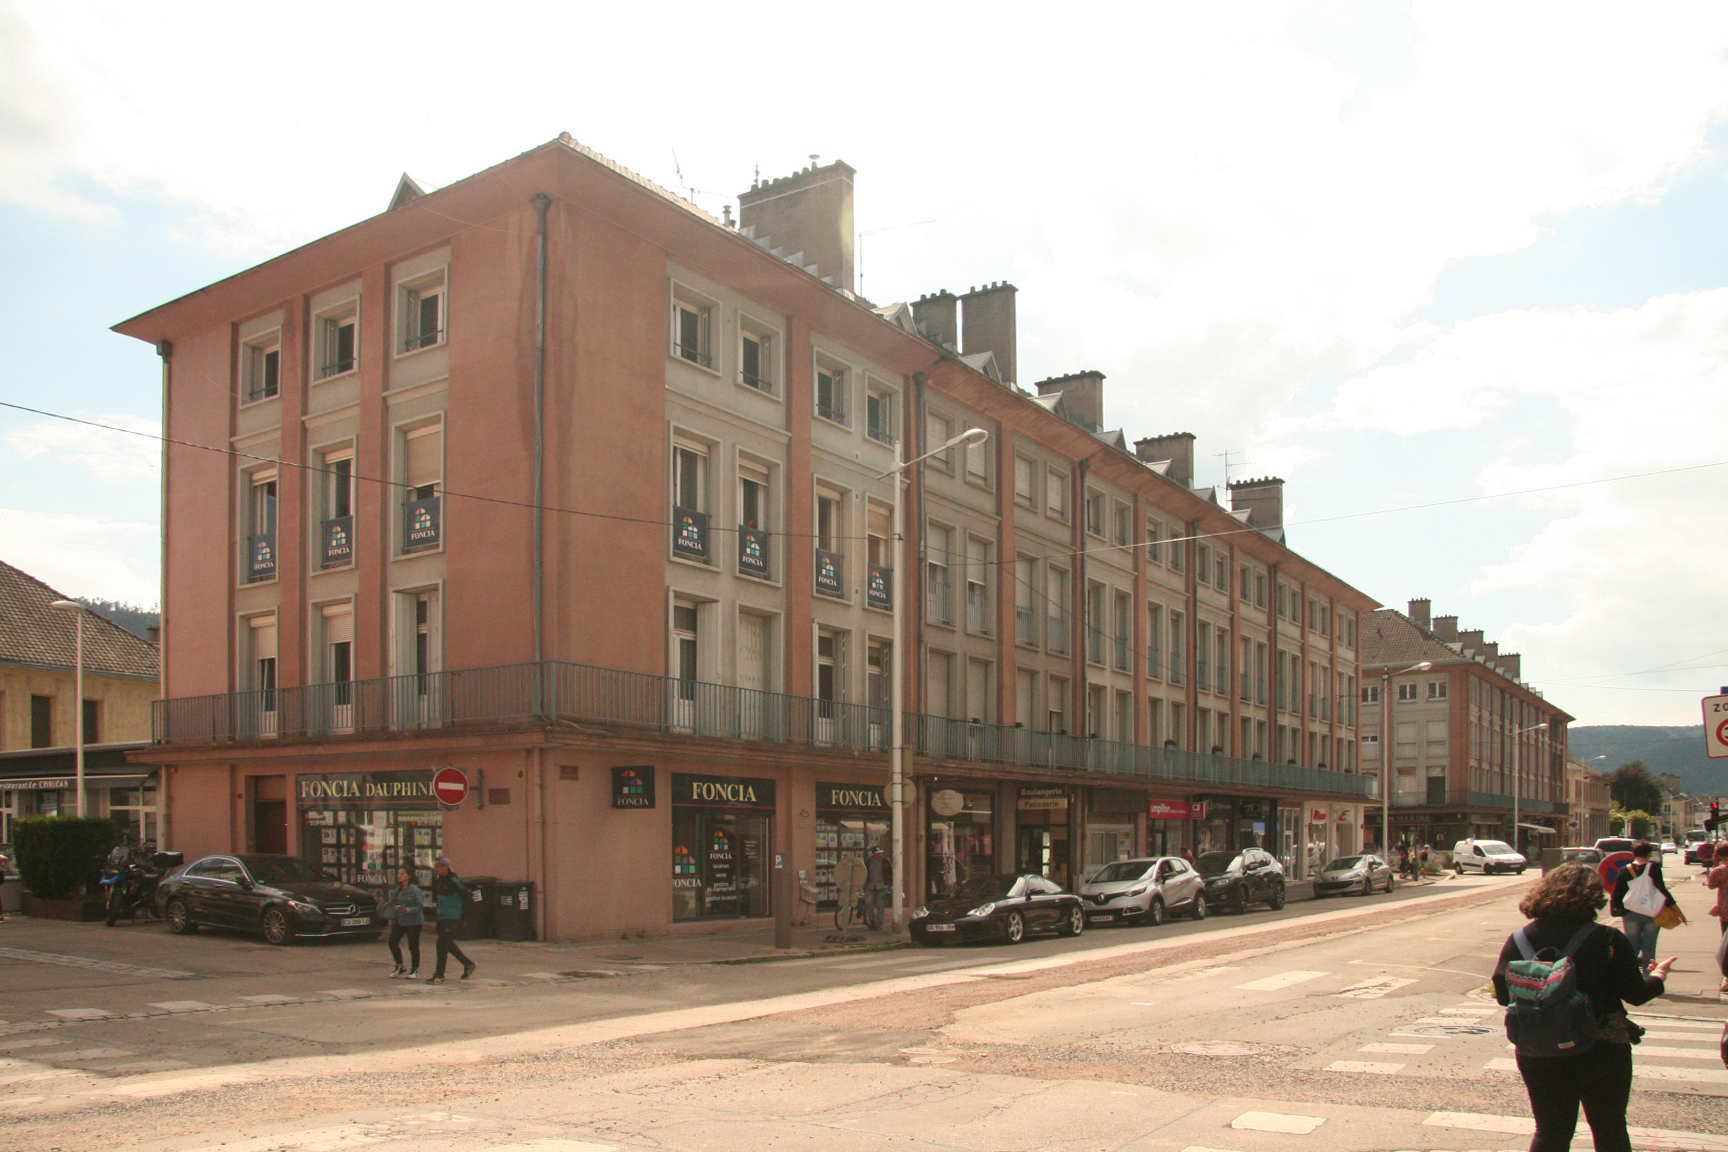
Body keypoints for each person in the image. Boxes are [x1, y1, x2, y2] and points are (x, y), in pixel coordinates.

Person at [1493, 863, 1673, 1152]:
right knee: (1609, 1127)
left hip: (1539, 1046)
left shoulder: (1520, 939)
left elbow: (1504, 994)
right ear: (1594, 898)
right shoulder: (1608, 938)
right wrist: (1658, 977)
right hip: (1601, 1045)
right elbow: (1636, 994)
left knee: (1550, 1132)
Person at [1609, 841, 1675, 973]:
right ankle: (1649, 976)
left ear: (1633, 854)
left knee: (1632, 946)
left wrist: (1620, 909)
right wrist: (1675, 909)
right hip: (1651, 912)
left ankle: (1629, 976)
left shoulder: (1624, 870)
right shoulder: (1653, 868)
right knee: (1649, 946)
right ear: (1649, 854)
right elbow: (1661, 889)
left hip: (1630, 913)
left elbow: (1617, 893)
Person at [427, 856, 475, 985]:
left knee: (441, 944)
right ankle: (468, 964)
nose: (436, 869)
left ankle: (439, 974)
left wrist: (464, 917)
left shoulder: (454, 881)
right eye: (435, 866)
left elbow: (468, 898)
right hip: (441, 917)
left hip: (452, 917)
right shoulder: (438, 881)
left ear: (446, 867)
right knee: (447, 944)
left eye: (438, 866)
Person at [384, 866, 425, 979]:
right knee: (393, 941)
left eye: (402, 873)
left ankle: (415, 969)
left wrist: (407, 909)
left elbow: (420, 907)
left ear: (409, 876)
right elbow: (394, 904)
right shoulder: (398, 889)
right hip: (401, 920)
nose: (399, 876)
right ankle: (399, 965)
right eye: (398, 873)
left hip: (414, 922)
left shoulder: (415, 890)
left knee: (413, 945)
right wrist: (392, 920)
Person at [1705, 852, 1728, 992]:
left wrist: (1715, 865)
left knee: (1726, 947)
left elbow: (1711, 885)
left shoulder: (1720, 871)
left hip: (1726, 912)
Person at [862, 845, 890, 931]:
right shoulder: (868, 862)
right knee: (868, 903)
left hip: (882, 886)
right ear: (873, 854)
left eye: (880, 853)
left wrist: (889, 885)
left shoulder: (885, 861)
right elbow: (864, 872)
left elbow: (890, 872)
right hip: (870, 886)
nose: (879, 855)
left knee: (880, 906)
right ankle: (872, 920)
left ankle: (879, 924)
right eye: (877, 853)